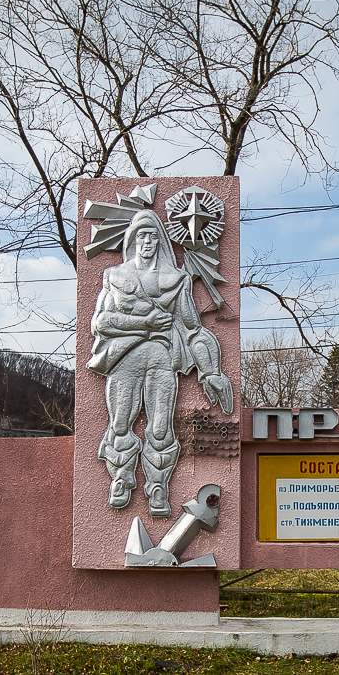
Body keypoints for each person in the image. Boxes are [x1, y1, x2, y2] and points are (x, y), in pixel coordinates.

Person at [87, 209, 233, 517]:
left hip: (162, 362)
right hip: (124, 360)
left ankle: (157, 487)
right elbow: (101, 323)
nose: (147, 242)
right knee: (120, 423)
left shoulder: (176, 280)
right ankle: (121, 479)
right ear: (132, 239)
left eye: (153, 236)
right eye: (142, 235)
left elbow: (194, 329)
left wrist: (211, 372)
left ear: (161, 241)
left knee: (161, 429)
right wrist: (148, 325)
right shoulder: (115, 276)